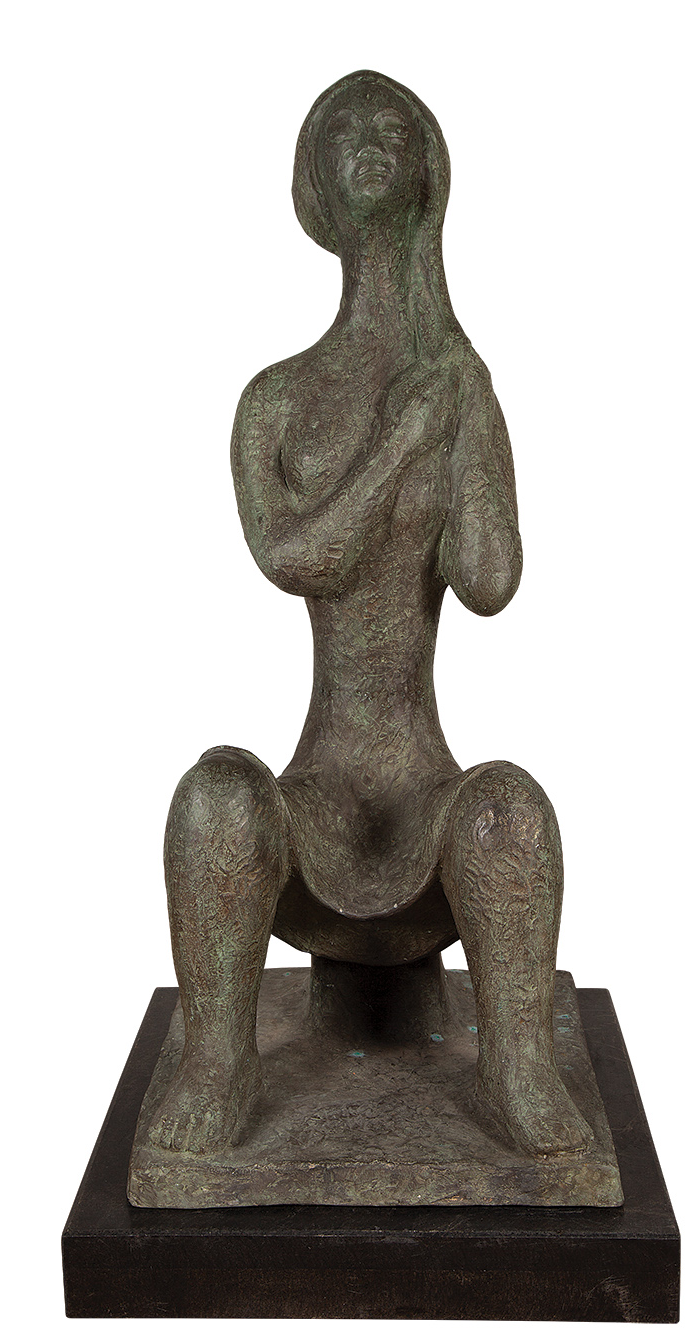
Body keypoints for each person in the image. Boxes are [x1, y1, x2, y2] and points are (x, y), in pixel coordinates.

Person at [148, 71, 591, 1158]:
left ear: (427, 176)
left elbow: (490, 580)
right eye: (345, 128)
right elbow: (297, 557)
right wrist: (400, 442)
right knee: (213, 798)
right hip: (313, 812)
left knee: (511, 812)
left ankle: (519, 1070)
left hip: (426, 810)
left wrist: (470, 418)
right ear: (315, 183)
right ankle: (219, 1063)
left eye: (394, 127)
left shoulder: (455, 384)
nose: (370, 138)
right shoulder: (278, 401)